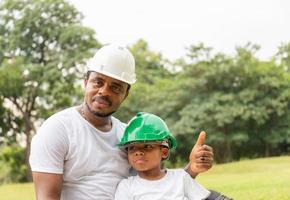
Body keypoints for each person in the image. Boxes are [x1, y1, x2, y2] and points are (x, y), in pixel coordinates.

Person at [29, 44, 215, 200]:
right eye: (98, 82)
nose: (104, 91)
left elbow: (157, 187)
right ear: (86, 82)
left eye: (115, 87)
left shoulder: (128, 137)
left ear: (125, 94)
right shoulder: (58, 130)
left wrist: (192, 169)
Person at [115, 112, 211, 200]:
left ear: (164, 152)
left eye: (147, 146)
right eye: (132, 148)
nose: (138, 152)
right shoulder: (126, 186)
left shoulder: (180, 177)